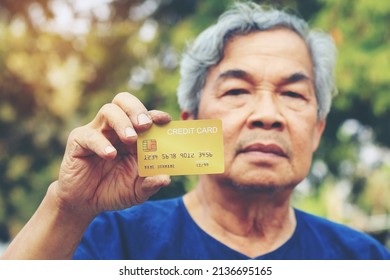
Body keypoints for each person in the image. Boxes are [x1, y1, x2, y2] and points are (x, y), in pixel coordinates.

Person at [1, 2, 389, 260]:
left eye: (293, 94)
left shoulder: (363, 258)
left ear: (318, 130)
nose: (268, 115)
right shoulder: (109, 240)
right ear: (190, 121)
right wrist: (67, 209)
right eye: (237, 90)